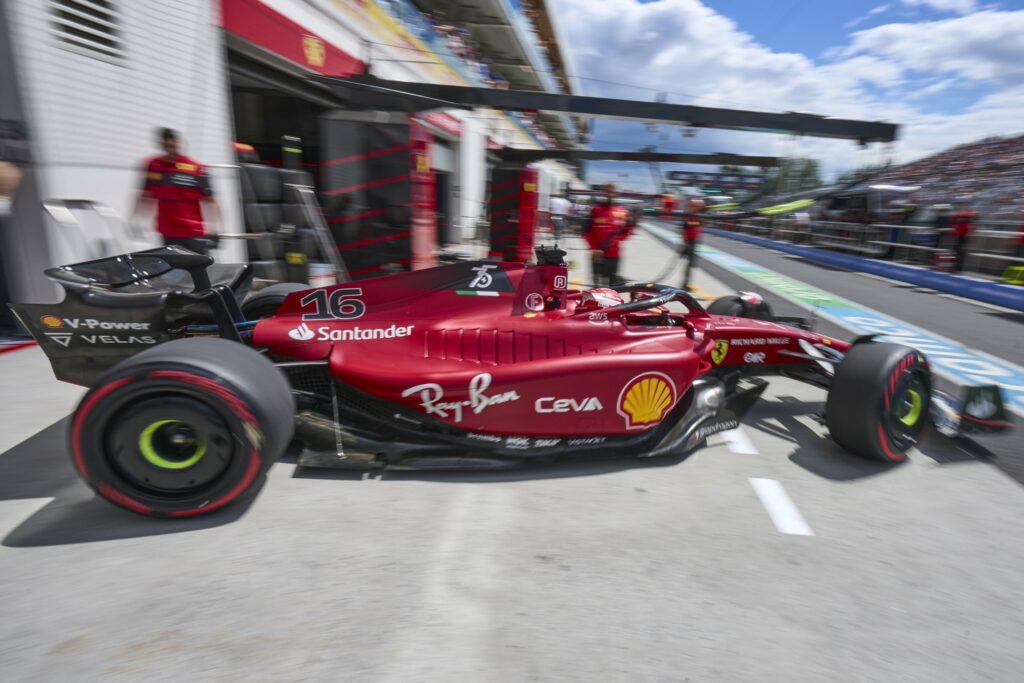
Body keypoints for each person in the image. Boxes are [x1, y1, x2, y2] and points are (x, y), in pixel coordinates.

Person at [133, 128, 220, 255]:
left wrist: (215, 228)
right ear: (161, 145)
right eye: (167, 146)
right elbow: (145, 196)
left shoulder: (196, 168)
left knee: (199, 270)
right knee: (174, 272)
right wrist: (136, 221)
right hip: (167, 232)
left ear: (179, 144)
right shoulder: (154, 166)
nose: (171, 149)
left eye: (174, 145)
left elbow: (210, 200)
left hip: (193, 233)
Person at [585, 183, 634, 287]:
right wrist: (594, 249)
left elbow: (625, 235)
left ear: (616, 193)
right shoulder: (596, 210)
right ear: (603, 193)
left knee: (612, 286)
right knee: (596, 286)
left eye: (612, 192)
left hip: (614, 255)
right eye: (607, 191)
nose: (609, 194)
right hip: (598, 254)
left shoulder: (622, 212)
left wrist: (632, 224)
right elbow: (586, 232)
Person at [680, 197, 705, 290]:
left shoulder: (699, 216)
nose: (698, 207)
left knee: (691, 265)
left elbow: (701, 227)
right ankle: (685, 284)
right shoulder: (688, 216)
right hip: (689, 242)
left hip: (695, 241)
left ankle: (687, 283)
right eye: (695, 205)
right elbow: (682, 230)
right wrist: (685, 243)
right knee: (689, 264)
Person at [949, 199, 977, 273]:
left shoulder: (963, 215)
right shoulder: (967, 215)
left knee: (959, 251)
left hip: (961, 235)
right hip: (961, 235)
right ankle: (957, 266)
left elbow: (954, 220)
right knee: (959, 251)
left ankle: (956, 266)